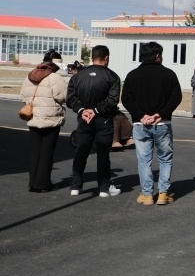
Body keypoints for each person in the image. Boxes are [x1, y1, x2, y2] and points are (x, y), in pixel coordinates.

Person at [121, 41, 183, 206]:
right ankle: (163, 193)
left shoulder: (132, 75)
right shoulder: (169, 74)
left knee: (144, 160)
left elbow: (126, 99)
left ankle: (147, 194)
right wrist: (160, 114)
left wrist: (141, 115)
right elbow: (176, 97)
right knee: (165, 159)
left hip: (140, 124)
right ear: (157, 56)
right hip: (162, 123)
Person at [66, 45, 121, 197]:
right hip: (103, 119)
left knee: (81, 151)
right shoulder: (112, 76)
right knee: (103, 154)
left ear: (91, 57)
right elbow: (112, 100)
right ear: (106, 58)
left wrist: (82, 110)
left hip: (83, 119)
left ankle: (76, 185)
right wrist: (96, 110)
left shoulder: (78, 76)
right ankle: (104, 187)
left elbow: (70, 99)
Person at [20, 49, 67, 192]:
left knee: (35, 151)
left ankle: (33, 183)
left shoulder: (29, 76)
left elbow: (23, 96)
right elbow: (63, 97)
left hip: (34, 117)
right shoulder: (55, 78)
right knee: (47, 152)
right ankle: (43, 184)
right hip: (50, 119)